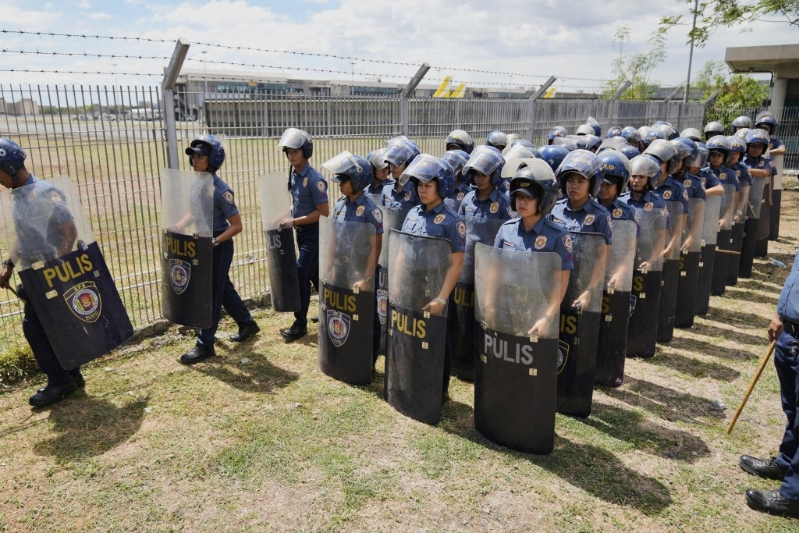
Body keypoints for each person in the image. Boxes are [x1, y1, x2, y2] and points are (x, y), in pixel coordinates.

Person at [0, 138, 85, 406]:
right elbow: (23, 236)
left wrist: (56, 267)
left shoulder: (45, 192)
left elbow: (69, 231)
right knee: (53, 325)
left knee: (35, 328)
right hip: (34, 273)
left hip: (50, 273)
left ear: (10, 167)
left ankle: (60, 381)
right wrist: (9, 265)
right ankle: (71, 374)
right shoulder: (20, 195)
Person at [179, 135, 259, 363]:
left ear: (212, 160)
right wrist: (179, 225)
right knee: (221, 288)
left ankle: (205, 344)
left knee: (211, 293)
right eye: (193, 157)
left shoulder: (221, 190)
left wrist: (215, 241)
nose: (195, 160)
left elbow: (237, 226)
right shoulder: (196, 184)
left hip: (219, 246)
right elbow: (195, 213)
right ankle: (247, 323)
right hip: (204, 243)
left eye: (200, 157)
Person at [738, 249, 799, 517]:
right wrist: (781, 313)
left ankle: (793, 495)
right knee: (793, 408)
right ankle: (787, 462)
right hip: (791, 333)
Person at [400, 155, 465, 400]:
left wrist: (441, 298)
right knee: (413, 334)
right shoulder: (412, 214)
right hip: (411, 286)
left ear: (442, 186)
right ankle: (413, 377)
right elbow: (402, 250)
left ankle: (439, 389)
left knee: (438, 339)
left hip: (437, 289)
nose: (422, 190)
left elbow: (457, 263)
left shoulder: (453, 221)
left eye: (428, 185)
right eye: (419, 185)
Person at [327, 152, 384, 364]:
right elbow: (333, 240)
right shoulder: (339, 206)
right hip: (342, 268)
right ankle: (346, 353)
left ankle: (369, 360)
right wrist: (329, 267)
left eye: (344, 180)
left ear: (357, 180)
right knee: (342, 311)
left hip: (361, 271)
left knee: (367, 314)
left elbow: (375, 248)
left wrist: (367, 278)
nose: (340, 184)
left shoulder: (371, 211)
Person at [278, 128, 329, 341]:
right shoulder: (296, 176)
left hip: (314, 233)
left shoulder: (314, 179)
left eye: (295, 151)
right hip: (302, 233)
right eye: (288, 152)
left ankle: (300, 323)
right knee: (316, 275)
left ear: (306, 152)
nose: (291, 156)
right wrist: (286, 214)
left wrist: (294, 221)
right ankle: (330, 311)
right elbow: (300, 205)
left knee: (301, 274)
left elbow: (323, 212)